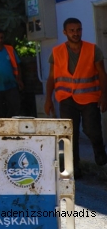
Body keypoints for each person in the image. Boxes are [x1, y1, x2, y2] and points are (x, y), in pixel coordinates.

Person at [44, 18, 107, 178]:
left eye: (78, 30)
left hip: (89, 97)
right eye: (72, 30)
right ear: (65, 32)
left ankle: (99, 151)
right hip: (66, 98)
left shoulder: (93, 50)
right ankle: (74, 168)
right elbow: (51, 77)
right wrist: (48, 99)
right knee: (69, 135)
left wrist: (104, 95)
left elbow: (102, 73)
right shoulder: (56, 52)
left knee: (92, 129)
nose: (75, 33)